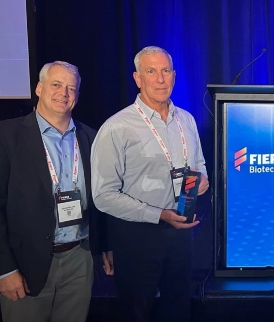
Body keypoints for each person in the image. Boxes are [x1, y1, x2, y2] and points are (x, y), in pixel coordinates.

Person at [91, 46, 209, 322]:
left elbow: (200, 165)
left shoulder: (187, 120)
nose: (160, 79)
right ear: (137, 78)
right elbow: (103, 195)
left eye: (165, 71)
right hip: (137, 238)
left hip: (181, 237)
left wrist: (202, 180)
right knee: (136, 314)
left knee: (177, 312)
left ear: (174, 76)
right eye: (151, 71)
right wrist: (158, 215)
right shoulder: (117, 127)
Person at [0, 61, 108, 322]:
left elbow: (100, 197)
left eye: (71, 88)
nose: (64, 93)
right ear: (39, 88)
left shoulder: (91, 137)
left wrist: (105, 245)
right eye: (56, 85)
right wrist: (4, 270)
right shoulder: (7, 135)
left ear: (77, 96)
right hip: (26, 264)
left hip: (79, 259)